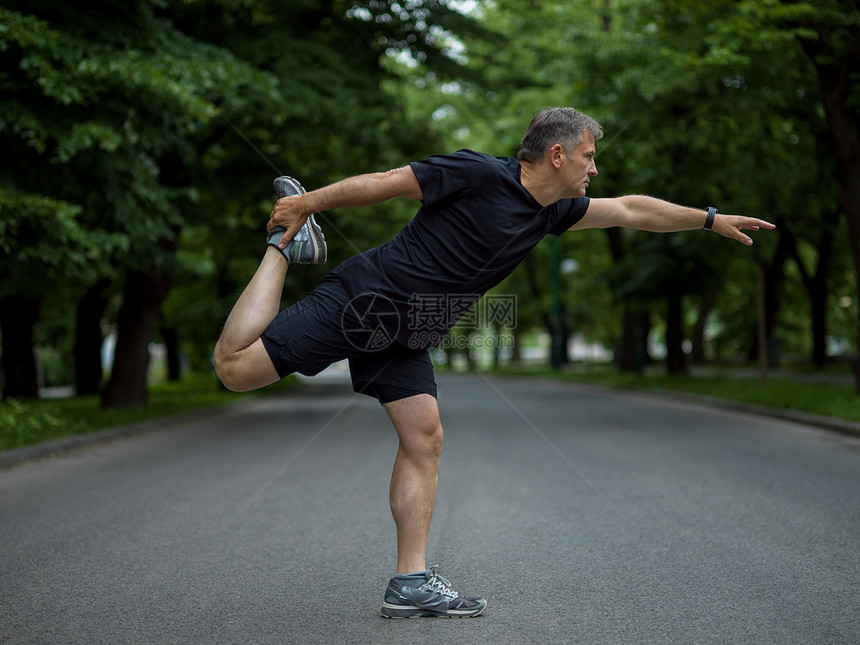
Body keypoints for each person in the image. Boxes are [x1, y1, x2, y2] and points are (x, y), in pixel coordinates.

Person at [213, 107, 774, 618]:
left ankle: (409, 582)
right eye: (589, 157)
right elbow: (388, 184)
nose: (593, 170)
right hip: (368, 302)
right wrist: (306, 205)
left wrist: (708, 218)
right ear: (558, 154)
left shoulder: (550, 213)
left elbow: (630, 210)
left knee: (424, 439)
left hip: (411, 332)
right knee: (235, 371)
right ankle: (287, 248)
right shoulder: (479, 174)